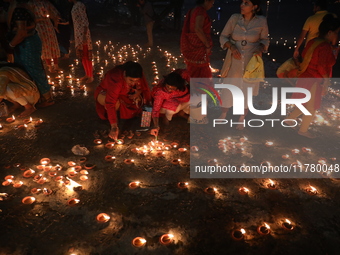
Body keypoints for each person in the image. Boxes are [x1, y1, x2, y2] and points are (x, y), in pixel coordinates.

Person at [286, 14, 340, 138]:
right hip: (314, 80)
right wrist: (326, 81)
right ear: (330, 32)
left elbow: (305, 56)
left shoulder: (312, 42)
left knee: (305, 103)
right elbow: (323, 66)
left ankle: (289, 120)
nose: (337, 35)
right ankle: (303, 130)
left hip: (304, 77)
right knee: (311, 107)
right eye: (336, 33)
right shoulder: (325, 47)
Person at [218, 0, 269, 130]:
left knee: (247, 88)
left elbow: (264, 40)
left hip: (251, 61)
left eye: (246, 3)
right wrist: (232, 46)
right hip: (234, 59)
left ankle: (241, 118)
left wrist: (260, 49)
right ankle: (224, 113)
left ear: (255, 6)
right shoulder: (235, 18)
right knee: (229, 86)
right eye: (242, 2)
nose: (242, 5)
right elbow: (223, 37)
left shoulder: (261, 21)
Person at [4, 0, 54, 107]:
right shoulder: (24, 6)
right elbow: (31, 24)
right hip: (28, 41)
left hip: (27, 43)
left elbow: (21, 32)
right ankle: (38, 97)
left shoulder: (19, 10)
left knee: (33, 69)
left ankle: (47, 98)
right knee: (30, 69)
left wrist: (10, 46)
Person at [94, 61, 152, 140]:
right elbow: (110, 102)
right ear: (124, 74)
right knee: (115, 104)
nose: (133, 83)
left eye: (136, 81)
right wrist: (114, 127)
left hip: (124, 93)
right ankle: (115, 118)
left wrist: (139, 92)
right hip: (106, 92)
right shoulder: (115, 79)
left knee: (141, 99)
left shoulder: (137, 73)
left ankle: (128, 114)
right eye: (131, 80)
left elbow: (145, 89)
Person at [150, 70, 190, 137]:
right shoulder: (161, 92)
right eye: (168, 87)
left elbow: (185, 73)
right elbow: (156, 109)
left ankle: (182, 114)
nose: (169, 89)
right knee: (171, 110)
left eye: (172, 88)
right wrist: (156, 125)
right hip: (164, 106)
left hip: (179, 100)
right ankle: (165, 123)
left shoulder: (183, 89)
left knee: (198, 99)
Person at [180, 0, 214, 78]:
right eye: (212, 3)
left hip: (191, 44)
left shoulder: (193, 10)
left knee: (193, 71)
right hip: (198, 45)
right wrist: (207, 45)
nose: (212, 5)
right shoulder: (200, 11)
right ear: (206, 1)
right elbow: (198, 29)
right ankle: (200, 89)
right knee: (201, 73)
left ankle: (194, 88)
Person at [28, 0, 61, 73]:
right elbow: (30, 18)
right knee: (45, 46)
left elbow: (54, 13)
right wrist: (41, 18)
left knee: (53, 45)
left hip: (48, 26)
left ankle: (56, 66)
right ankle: (50, 67)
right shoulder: (31, 4)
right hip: (39, 27)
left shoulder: (46, 3)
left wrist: (56, 23)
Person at [69, 0, 93, 83]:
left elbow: (85, 21)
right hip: (78, 34)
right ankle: (87, 74)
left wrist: (84, 36)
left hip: (83, 34)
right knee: (82, 55)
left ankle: (91, 76)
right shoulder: (74, 5)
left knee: (86, 55)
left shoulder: (80, 5)